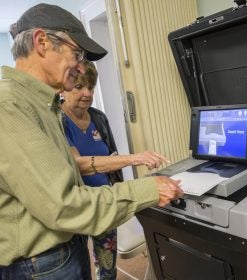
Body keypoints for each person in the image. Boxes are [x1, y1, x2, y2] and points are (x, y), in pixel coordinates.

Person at [0, 3, 183, 280]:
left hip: (65, 249)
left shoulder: (43, 106)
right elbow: (63, 205)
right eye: (77, 53)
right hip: (41, 264)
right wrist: (147, 190)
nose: (79, 65)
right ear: (41, 42)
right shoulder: (10, 105)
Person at [61, 60, 169, 280]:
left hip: (104, 203)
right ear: (64, 87)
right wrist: (134, 158)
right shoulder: (58, 120)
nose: (87, 93)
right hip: (75, 205)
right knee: (79, 268)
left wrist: (121, 169)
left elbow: (111, 157)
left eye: (91, 87)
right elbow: (78, 164)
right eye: (79, 87)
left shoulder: (98, 117)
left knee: (107, 266)